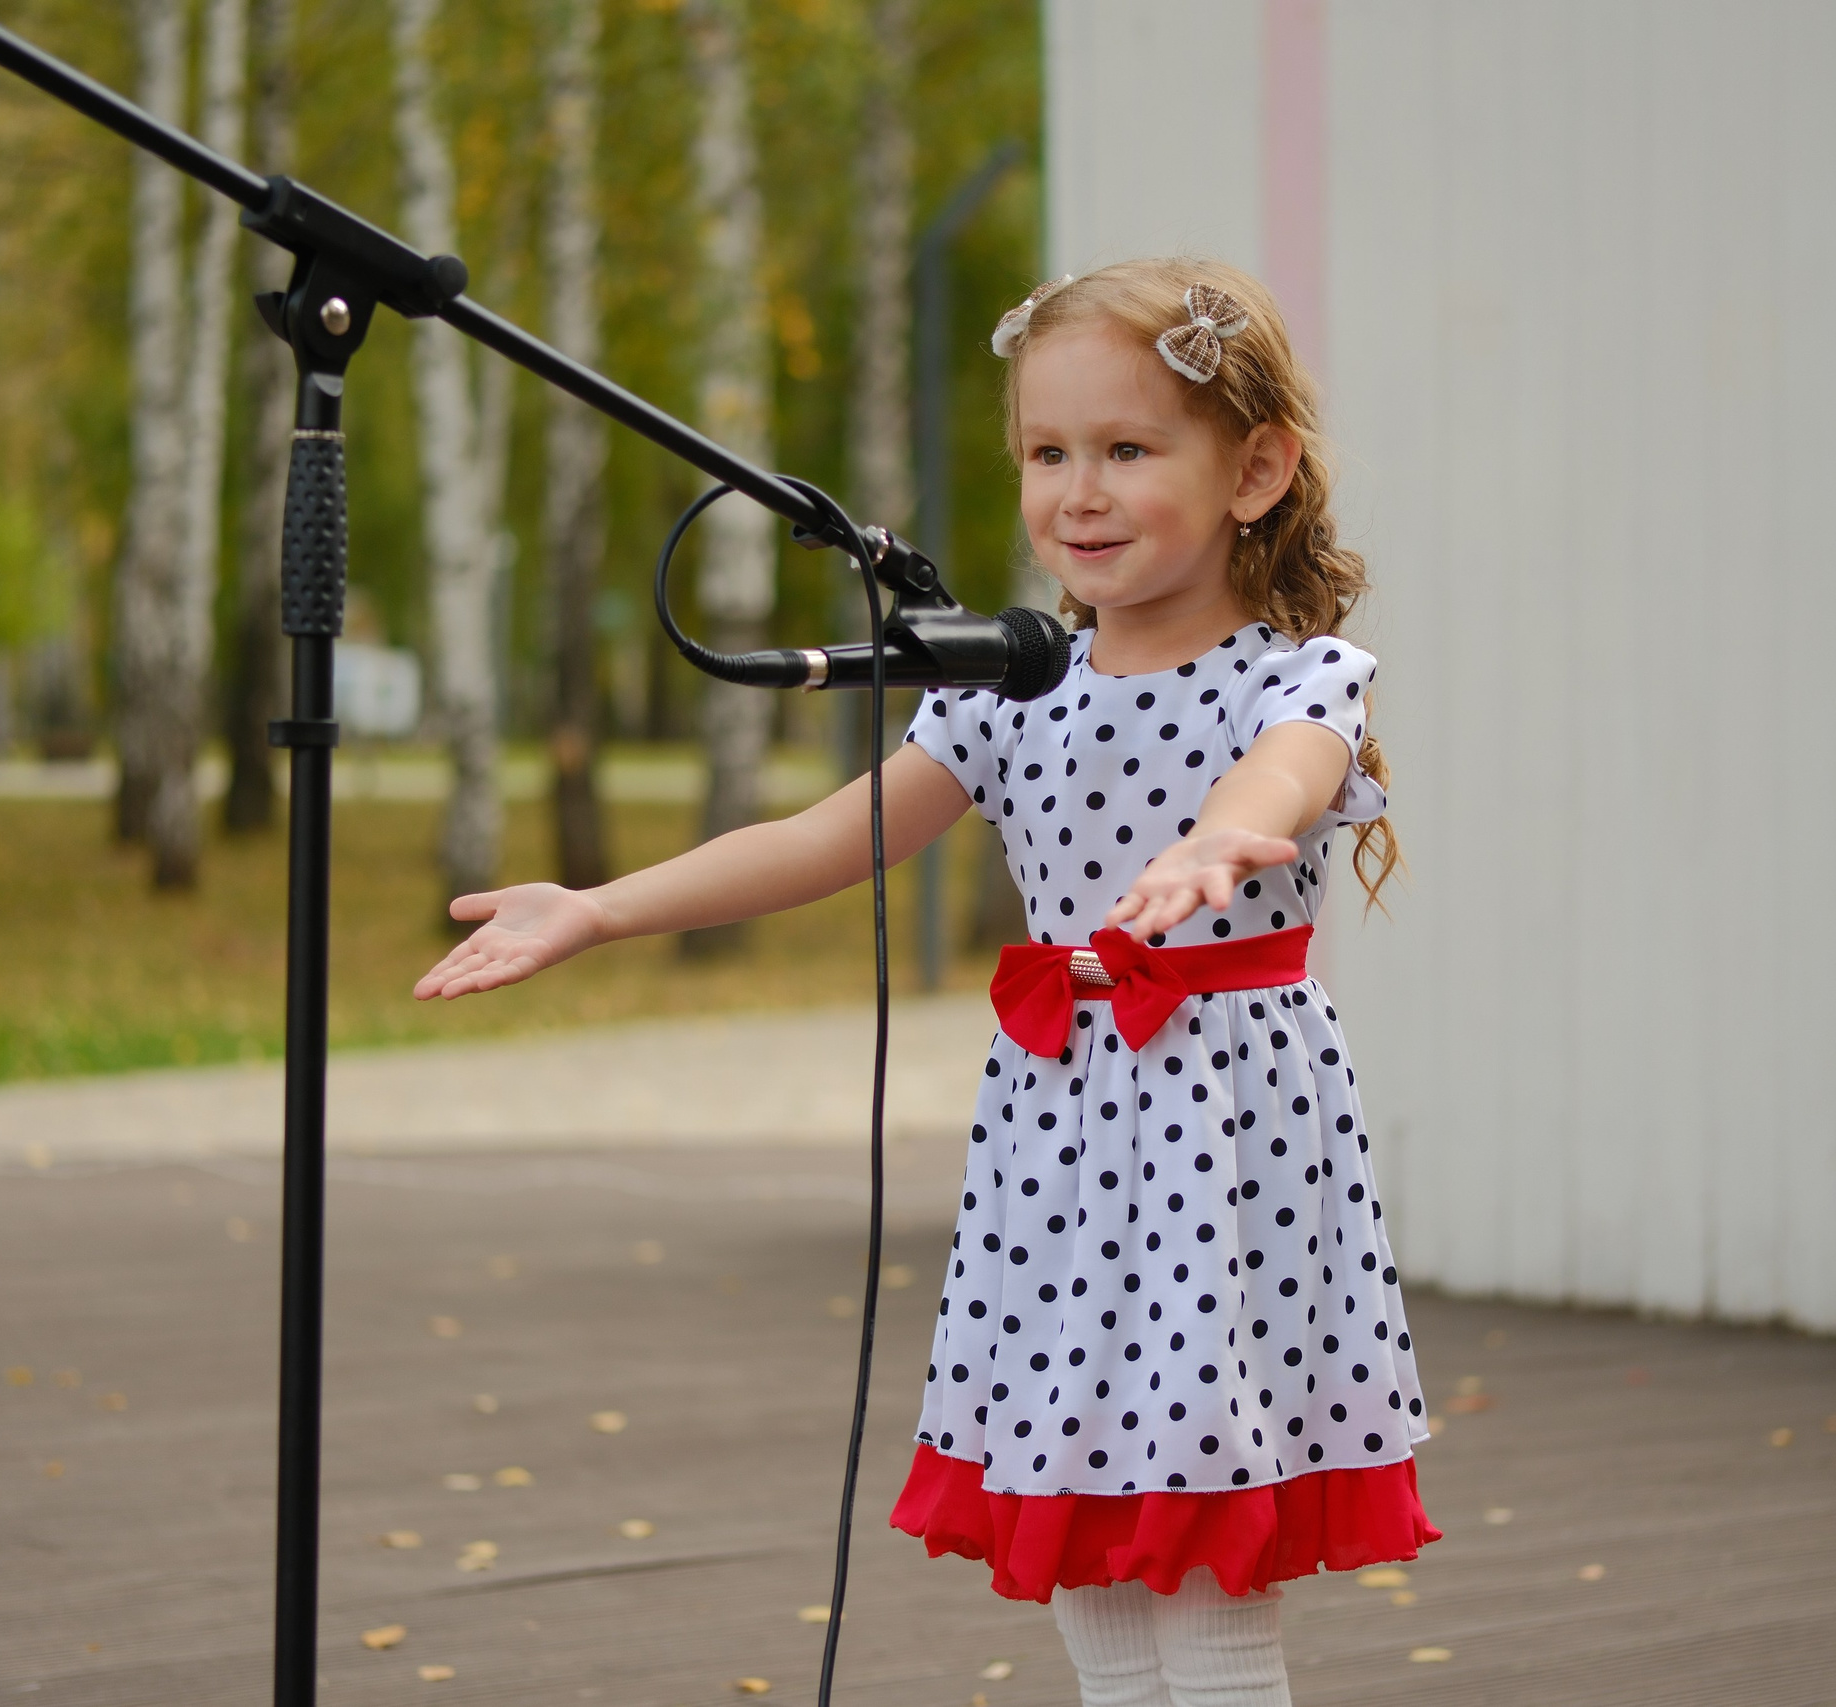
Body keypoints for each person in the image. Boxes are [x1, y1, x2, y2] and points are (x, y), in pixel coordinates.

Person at [414, 259, 1432, 1706]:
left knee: (1208, 1578)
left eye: (1127, 449)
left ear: (1254, 472)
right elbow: (825, 837)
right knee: (1087, 1560)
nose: (1078, 491)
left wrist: (1217, 840)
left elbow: (1285, 776)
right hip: (1063, 1139)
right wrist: (595, 910)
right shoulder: (1010, 693)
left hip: (1218, 1141)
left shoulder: (1298, 678)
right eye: (1046, 452)